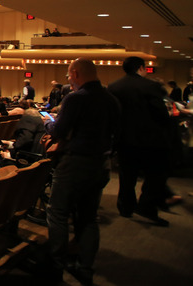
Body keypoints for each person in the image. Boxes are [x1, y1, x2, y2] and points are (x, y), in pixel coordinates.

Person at [43, 59, 120, 284]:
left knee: (57, 213)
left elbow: (58, 130)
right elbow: (117, 134)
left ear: (75, 73)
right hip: (101, 164)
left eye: (68, 76)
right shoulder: (112, 100)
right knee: (88, 217)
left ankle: (55, 266)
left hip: (74, 163)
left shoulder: (76, 98)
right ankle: (85, 268)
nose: (69, 80)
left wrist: (48, 123)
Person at [107, 56, 171, 226]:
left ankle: (125, 207)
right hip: (150, 139)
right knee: (155, 175)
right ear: (142, 68)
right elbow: (161, 114)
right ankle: (146, 205)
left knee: (127, 176)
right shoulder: (150, 86)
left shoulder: (114, 87)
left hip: (124, 139)